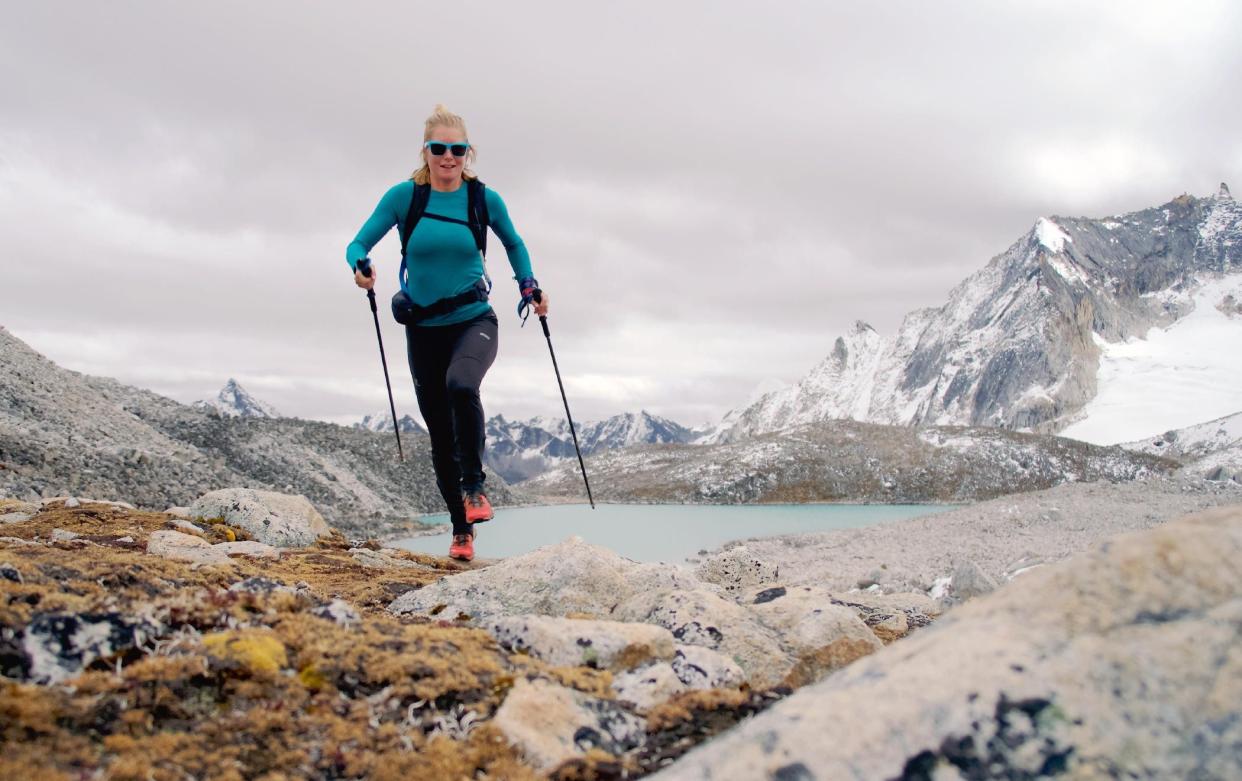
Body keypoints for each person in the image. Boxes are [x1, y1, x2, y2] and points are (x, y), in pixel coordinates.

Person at [345, 105, 547, 562]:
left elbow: (514, 243)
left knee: (462, 385)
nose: (448, 157)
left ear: (467, 153)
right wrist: (361, 266)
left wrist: (529, 285)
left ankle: (475, 488)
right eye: (439, 149)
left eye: (457, 149)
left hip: (474, 319)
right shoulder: (405, 197)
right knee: (439, 434)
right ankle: (461, 531)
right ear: (426, 151)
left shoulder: (482, 200)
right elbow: (357, 243)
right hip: (423, 329)